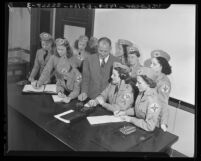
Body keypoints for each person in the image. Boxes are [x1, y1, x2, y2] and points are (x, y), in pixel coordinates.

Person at [33, 38, 82, 103]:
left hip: (75, 94)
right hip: (65, 92)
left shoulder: (73, 61)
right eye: (58, 49)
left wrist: (69, 97)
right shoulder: (54, 58)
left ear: (67, 49)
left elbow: (77, 89)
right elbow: (47, 71)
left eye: (62, 49)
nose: (59, 51)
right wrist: (40, 82)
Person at [115, 67, 162, 132]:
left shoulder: (153, 101)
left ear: (148, 83)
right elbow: (138, 110)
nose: (136, 85)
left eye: (139, 83)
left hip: (152, 132)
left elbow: (150, 126)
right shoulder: (142, 92)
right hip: (141, 127)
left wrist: (131, 119)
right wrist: (125, 112)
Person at [78, 37, 120, 101]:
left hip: (107, 100)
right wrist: (84, 92)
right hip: (91, 97)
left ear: (110, 49)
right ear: (97, 47)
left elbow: (118, 83)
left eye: (105, 51)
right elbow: (85, 78)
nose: (103, 54)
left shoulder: (117, 61)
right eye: (100, 50)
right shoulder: (88, 59)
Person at [143, 50, 172, 132]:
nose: (151, 66)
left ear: (162, 66)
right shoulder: (154, 78)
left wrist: (163, 123)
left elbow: (164, 103)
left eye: (154, 64)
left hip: (155, 120)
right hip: (147, 114)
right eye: (151, 63)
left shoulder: (164, 83)